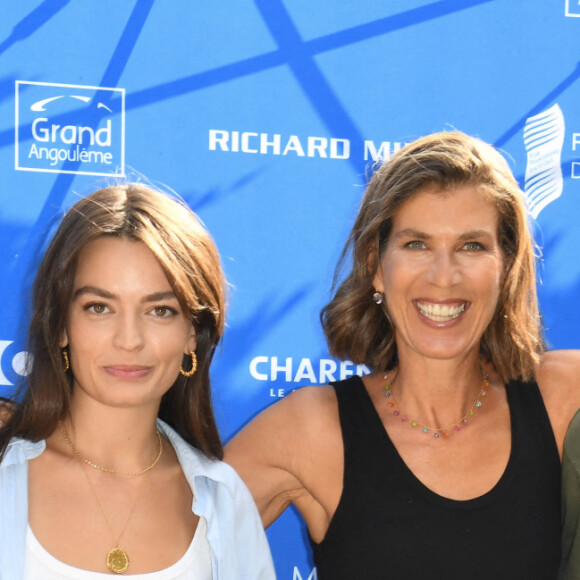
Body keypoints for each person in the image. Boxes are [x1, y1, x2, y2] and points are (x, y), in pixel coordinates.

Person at [225, 131, 580, 579]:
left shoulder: (562, 397)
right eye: (416, 244)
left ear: (506, 265)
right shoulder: (312, 431)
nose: (444, 276)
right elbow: (164, 547)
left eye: (472, 246)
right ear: (375, 266)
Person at [0, 184, 275, 579]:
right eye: (99, 307)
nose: (129, 340)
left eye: (160, 310)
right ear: (60, 324)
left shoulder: (224, 500)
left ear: (191, 335)